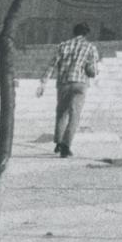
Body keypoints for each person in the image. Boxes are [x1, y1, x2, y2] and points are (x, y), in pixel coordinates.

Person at [37, 23, 100, 157]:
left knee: (61, 113)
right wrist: (92, 72)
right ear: (86, 34)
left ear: (74, 32)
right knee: (74, 115)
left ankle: (59, 143)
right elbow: (93, 71)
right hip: (80, 84)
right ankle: (66, 145)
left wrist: (43, 83)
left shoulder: (62, 45)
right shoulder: (90, 47)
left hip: (63, 83)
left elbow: (51, 65)